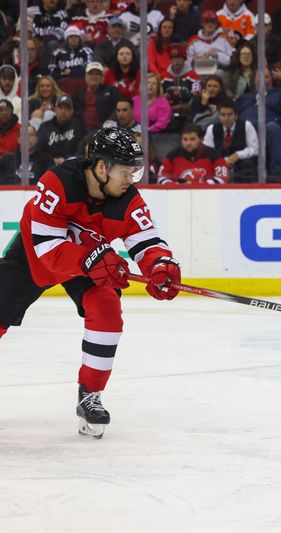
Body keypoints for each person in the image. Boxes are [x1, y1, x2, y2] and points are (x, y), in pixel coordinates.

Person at [0, 127, 181, 438]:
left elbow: (147, 241)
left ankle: (90, 395)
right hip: (33, 259)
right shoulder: (57, 182)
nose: (131, 180)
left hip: (89, 267)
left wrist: (160, 265)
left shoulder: (128, 199)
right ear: (102, 167)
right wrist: (92, 258)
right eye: (126, 172)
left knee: (108, 310)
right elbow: (48, 249)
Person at [235, 66, 281, 174]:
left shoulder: (280, 95)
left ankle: (277, 172)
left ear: (271, 79)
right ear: (254, 80)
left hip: (267, 129)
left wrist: (270, 121)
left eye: (266, 77)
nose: (263, 80)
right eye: (259, 77)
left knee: (273, 127)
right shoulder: (245, 97)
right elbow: (232, 113)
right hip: (245, 129)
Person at [203, 100, 257, 183]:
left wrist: (238, 155)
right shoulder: (211, 129)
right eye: (223, 115)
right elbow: (207, 152)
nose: (226, 118)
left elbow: (255, 149)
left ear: (236, 115)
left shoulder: (247, 126)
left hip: (241, 165)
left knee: (248, 163)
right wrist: (223, 161)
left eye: (229, 115)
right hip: (218, 165)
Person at [157, 123, 229, 185]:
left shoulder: (215, 155)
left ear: (201, 140)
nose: (188, 143)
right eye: (185, 139)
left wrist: (199, 186)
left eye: (192, 139)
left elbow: (222, 178)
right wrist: (175, 186)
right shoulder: (172, 156)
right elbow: (161, 178)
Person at [37, 95, 86, 164]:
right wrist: (52, 159)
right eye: (60, 108)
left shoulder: (79, 126)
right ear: (55, 110)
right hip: (49, 165)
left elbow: (83, 149)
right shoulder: (45, 127)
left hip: (72, 165)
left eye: (67, 108)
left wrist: (67, 159)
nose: (63, 111)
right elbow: (39, 150)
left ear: (72, 111)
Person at [73, 62, 120, 131]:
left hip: (106, 128)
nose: (94, 76)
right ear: (85, 77)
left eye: (97, 74)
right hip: (83, 132)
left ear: (102, 77)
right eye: (91, 73)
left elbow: (120, 106)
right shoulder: (79, 95)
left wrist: (112, 119)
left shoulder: (111, 90)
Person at [162, 44, 201, 123]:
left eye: (180, 59)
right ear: (171, 60)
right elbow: (158, 95)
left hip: (187, 110)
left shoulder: (193, 75)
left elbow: (196, 93)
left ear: (184, 60)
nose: (177, 62)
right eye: (174, 59)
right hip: (168, 110)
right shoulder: (164, 76)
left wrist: (181, 95)